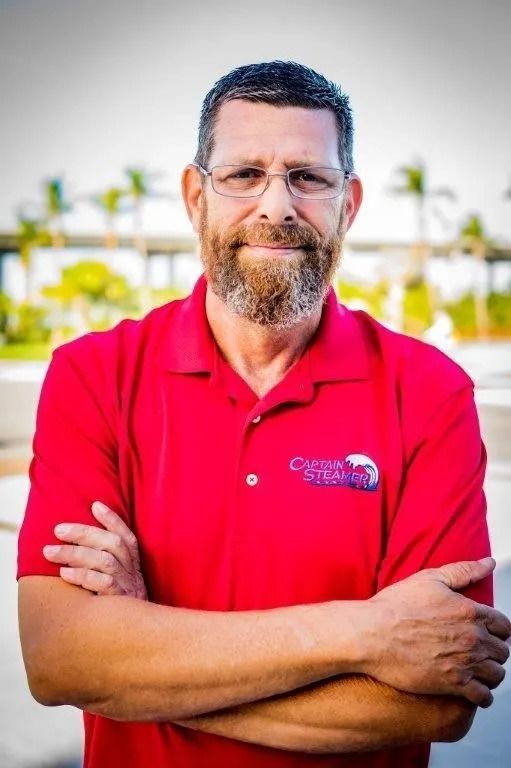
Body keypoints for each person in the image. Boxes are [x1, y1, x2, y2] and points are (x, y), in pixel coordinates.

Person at [17, 61, 510, 768]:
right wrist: (369, 634)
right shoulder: (93, 377)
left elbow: (435, 701)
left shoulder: (430, 393)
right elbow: (61, 661)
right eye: (243, 174)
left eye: (308, 177)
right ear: (196, 196)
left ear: (350, 201)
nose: (276, 206)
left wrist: (143, 652)